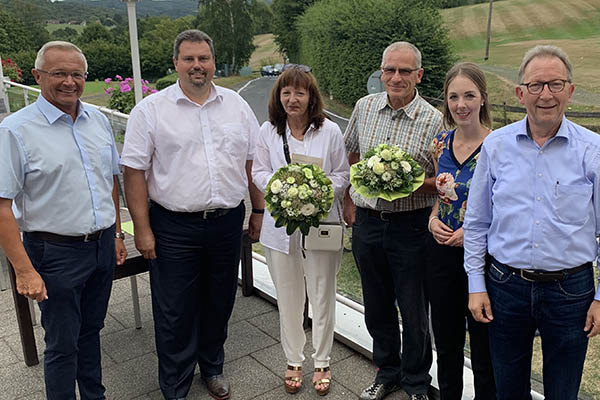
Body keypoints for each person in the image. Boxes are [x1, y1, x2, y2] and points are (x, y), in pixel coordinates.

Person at [120, 29, 263, 400]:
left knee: (219, 301)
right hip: (173, 226)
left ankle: (211, 367)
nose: (197, 66)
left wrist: (258, 209)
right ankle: (176, 384)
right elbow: (133, 172)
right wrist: (142, 229)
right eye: (189, 59)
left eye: (203, 58)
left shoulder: (236, 106)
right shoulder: (150, 110)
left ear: (213, 62)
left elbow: (252, 163)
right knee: (174, 310)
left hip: (227, 222)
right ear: (176, 63)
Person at [464, 45, 600, 400]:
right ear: (520, 92)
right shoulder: (496, 146)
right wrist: (476, 284)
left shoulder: (593, 151)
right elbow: (478, 223)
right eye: (536, 85)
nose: (546, 95)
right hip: (505, 285)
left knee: (563, 390)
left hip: (571, 292)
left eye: (556, 84)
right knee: (507, 388)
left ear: (570, 90)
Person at [0, 41, 127, 399]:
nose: (68, 81)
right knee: (61, 343)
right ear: (38, 76)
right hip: (53, 252)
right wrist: (24, 270)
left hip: (101, 246)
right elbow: (1, 206)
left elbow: (109, 182)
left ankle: (93, 395)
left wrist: (117, 233)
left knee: (91, 332)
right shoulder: (16, 130)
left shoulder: (97, 120)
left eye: (76, 74)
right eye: (58, 73)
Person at [344, 41, 443, 400]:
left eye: (405, 71)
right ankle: (387, 372)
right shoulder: (364, 107)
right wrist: (350, 200)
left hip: (411, 226)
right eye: (390, 69)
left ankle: (416, 381)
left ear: (419, 74)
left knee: (414, 310)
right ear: (381, 72)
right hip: (368, 223)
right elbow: (352, 152)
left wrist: (409, 183)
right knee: (377, 305)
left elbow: (442, 178)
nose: (396, 77)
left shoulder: (434, 120)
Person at [252, 65, 349, 396]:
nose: (292, 99)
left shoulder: (330, 132)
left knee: (322, 294)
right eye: (286, 92)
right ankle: (294, 359)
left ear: (311, 98)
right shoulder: (268, 131)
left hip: (321, 225)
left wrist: (316, 189)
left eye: (300, 93)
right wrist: (281, 187)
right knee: (289, 298)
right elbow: (259, 171)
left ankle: (322, 360)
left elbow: (342, 175)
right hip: (280, 230)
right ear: (279, 97)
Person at [426, 62, 495, 400]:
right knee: (447, 342)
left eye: (469, 95)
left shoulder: (499, 145)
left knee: (483, 347)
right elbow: (442, 193)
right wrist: (432, 218)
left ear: (483, 98)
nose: (461, 104)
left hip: (483, 258)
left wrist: (474, 232)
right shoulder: (441, 142)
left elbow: (510, 205)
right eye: (454, 96)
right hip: (442, 255)